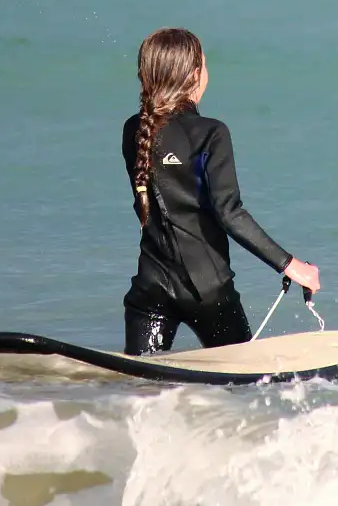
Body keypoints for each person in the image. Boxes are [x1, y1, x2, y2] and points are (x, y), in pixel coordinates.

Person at [121, 27, 319, 355]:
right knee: (244, 386)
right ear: (195, 74)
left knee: (141, 387)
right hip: (209, 293)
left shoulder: (134, 130)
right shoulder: (211, 134)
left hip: (150, 289)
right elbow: (229, 211)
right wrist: (290, 265)